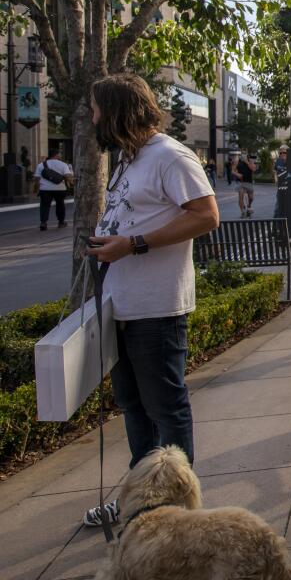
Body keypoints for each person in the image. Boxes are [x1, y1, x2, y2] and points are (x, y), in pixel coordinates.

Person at [82, 73, 219, 527]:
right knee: (135, 409)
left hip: (156, 310)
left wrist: (134, 244)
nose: (93, 118)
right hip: (121, 308)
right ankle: (142, 505)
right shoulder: (128, 159)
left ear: (119, 112)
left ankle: (178, 511)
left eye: (97, 110)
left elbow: (206, 216)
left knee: (166, 409)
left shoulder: (170, 156)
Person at [34, 147, 74, 231]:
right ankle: (61, 222)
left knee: (45, 205)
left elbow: (37, 178)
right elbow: (68, 176)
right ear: (57, 155)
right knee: (60, 205)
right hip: (60, 188)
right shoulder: (63, 164)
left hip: (44, 189)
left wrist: (37, 188)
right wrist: (72, 183)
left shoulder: (41, 165)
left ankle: (43, 223)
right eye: (59, 154)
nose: (60, 155)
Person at [234, 152, 256, 218]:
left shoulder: (250, 161)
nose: (243, 155)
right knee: (241, 196)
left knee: (251, 198)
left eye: (245, 154)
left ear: (247, 155)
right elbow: (233, 170)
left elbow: (253, 169)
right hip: (240, 182)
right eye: (242, 154)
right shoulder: (237, 161)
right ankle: (243, 211)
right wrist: (237, 174)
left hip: (249, 182)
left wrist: (246, 161)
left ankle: (249, 206)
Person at [272, 146, 289, 218]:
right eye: (280, 153)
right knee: (277, 207)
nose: (282, 154)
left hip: (289, 186)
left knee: (288, 205)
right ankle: (276, 224)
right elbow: (275, 171)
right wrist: (275, 179)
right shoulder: (278, 161)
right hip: (280, 187)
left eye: (284, 152)